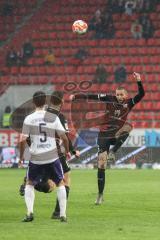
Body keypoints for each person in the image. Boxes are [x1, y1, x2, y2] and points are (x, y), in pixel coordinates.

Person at [71, 72, 145, 205]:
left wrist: (139, 81)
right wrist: (77, 96)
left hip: (116, 135)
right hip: (104, 135)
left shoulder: (129, 103)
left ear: (126, 95)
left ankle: (113, 152)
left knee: (128, 127)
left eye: (122, 94)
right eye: (118, 94)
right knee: (101, 165)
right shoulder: (109, 99)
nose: (119, 97)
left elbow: (141, 95)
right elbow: (93, 96)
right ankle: (100, 195)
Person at [19, 91, 80, 220]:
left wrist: (23, 155)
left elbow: (23, 139)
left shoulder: (29, 118)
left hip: (36, 157)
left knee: (31, 182)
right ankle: (61, 213)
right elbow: (64, 137)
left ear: (33, 102)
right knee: (62, 181)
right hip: (54, 154)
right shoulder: (56, 117)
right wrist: (70, 151)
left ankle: (30, 212)